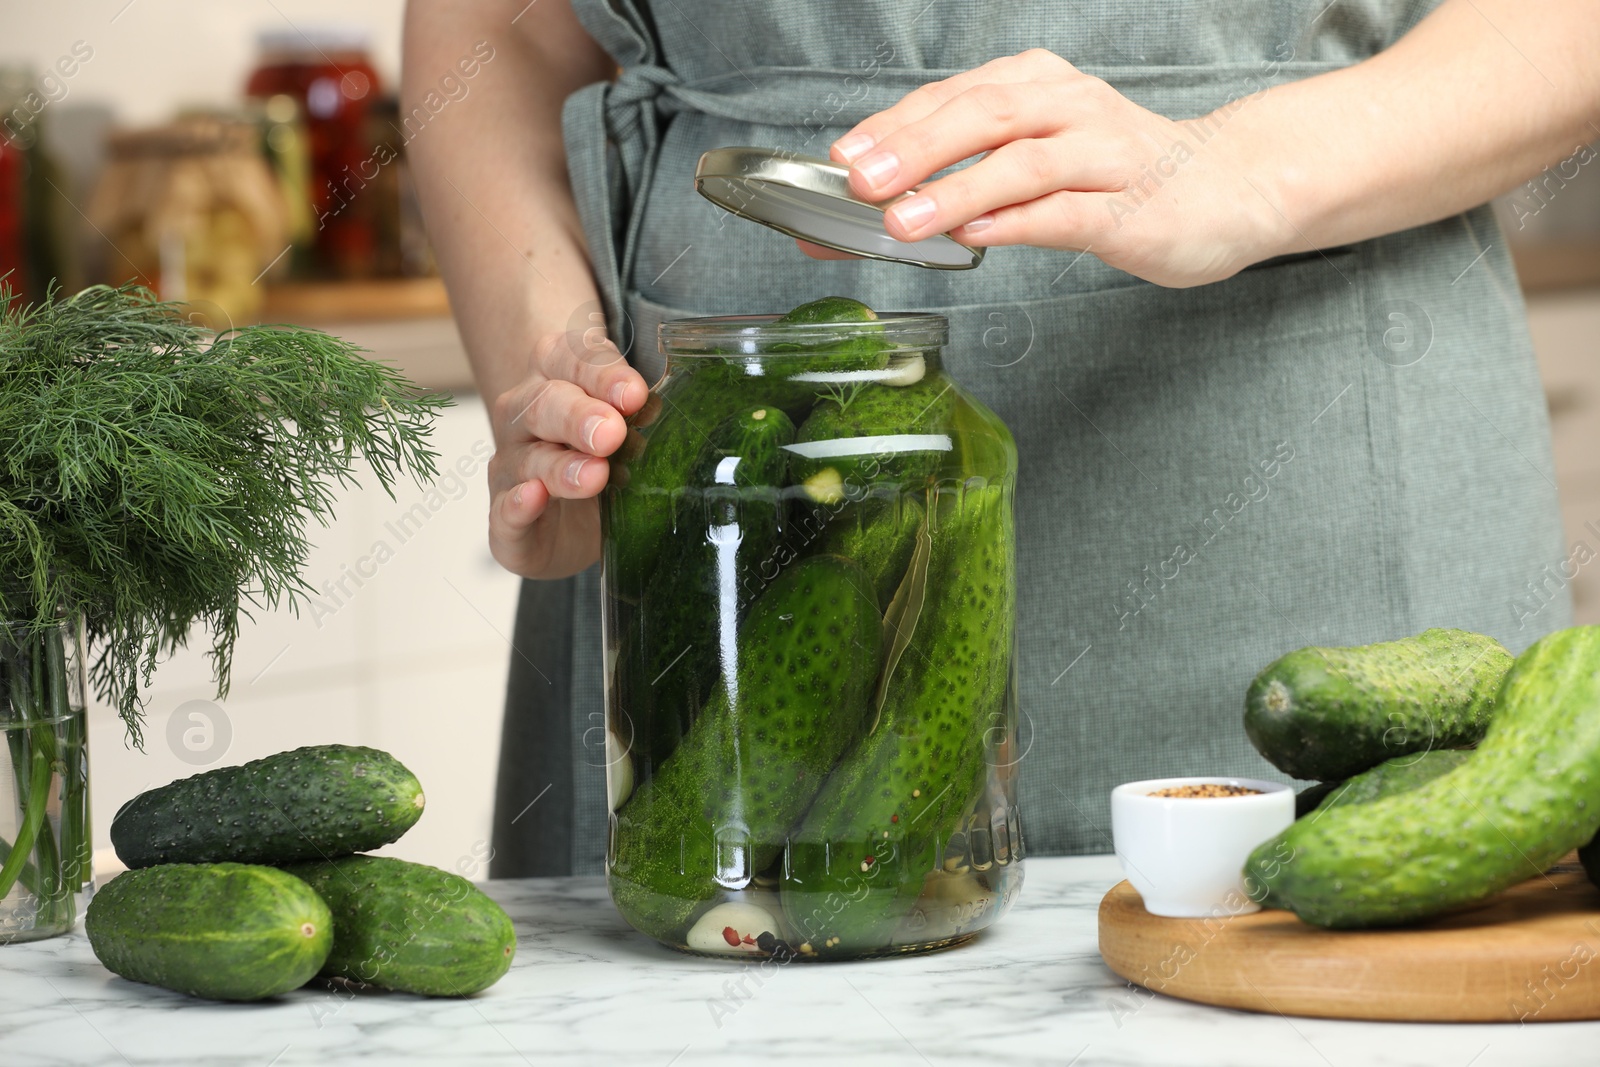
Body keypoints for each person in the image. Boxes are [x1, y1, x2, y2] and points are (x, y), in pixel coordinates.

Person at [402, 0, 1597, 877]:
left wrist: (1241, 164)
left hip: (1322, 422)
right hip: (722, 449)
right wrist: (548, 370)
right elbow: (489, 32)